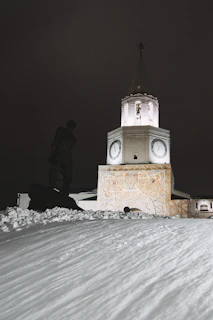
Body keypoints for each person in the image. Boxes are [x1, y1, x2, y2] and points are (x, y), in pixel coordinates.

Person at [48, 120, 76, 196]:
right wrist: (52, 154)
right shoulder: (63, 132)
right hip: (61, 154)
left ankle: (62, 192)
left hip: (64, 155)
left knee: (65, 176)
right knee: (57, 174)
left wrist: (52, 154)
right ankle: (55, 190)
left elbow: (55, 143)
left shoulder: (72, 138)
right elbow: (56, 143)